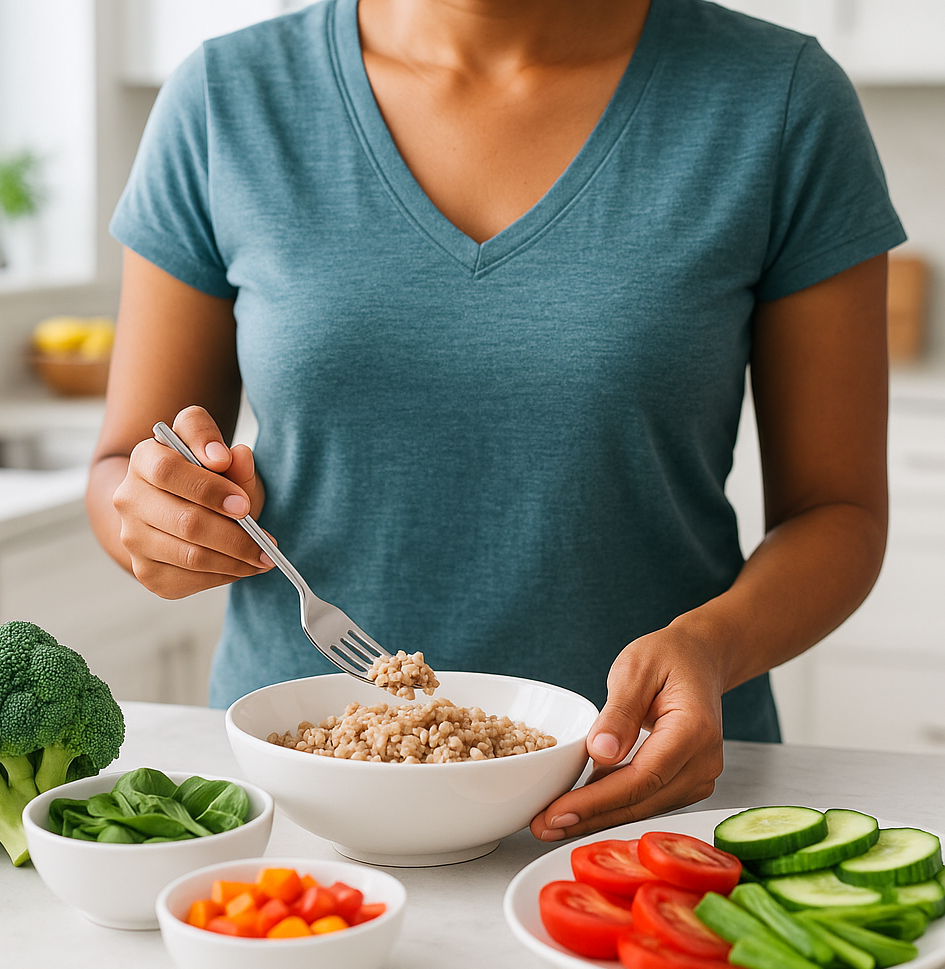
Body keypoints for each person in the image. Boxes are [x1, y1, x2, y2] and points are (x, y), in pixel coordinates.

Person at [87, 0, 905, 844]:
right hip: (302, 800)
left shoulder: (778, 102)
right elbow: (123, 463)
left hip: (646, 796)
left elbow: (838, 514)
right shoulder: (227, 99)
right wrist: (159, 520)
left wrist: (714, 647)